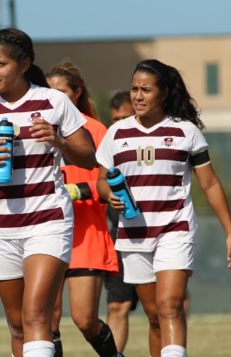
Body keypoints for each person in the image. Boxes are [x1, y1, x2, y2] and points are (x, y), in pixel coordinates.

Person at [0, 28, 96, 357]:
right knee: (17, 323)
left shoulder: (53, 101)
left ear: (24, 63)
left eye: (0, 63)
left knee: (35, 314)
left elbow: (89, 158)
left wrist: (57, 140)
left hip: (48, 220)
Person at [96, 59, 231, 357]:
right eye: (134, 89)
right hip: (133, 236)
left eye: (146, 90)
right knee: (153, 316)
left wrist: (230, 232)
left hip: (175, 229)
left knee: (170, 306)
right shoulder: (116, 133)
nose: (137, 96)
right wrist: (108, 193)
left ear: (163, 93)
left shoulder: (186, 132)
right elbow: (100, 181)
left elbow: (210, 184)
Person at [45, 61, 120, 357]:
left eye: (61, 92)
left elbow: (105, 183)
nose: (54, 97)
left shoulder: (96, 130)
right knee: (47, 319)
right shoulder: (38, 126)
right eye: (49, 91)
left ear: (77, 93)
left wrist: (74, 190)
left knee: (84, 319)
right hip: (46, 230)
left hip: (85, 235)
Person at [104, 90, 140, 355]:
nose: (119, 124)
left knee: (161, 310)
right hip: (120, 238)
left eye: (125, 118)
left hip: (159, 235)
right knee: (117, 306)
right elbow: (99, 181)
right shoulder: (108, 145)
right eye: (114, 119)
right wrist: (107, 194)